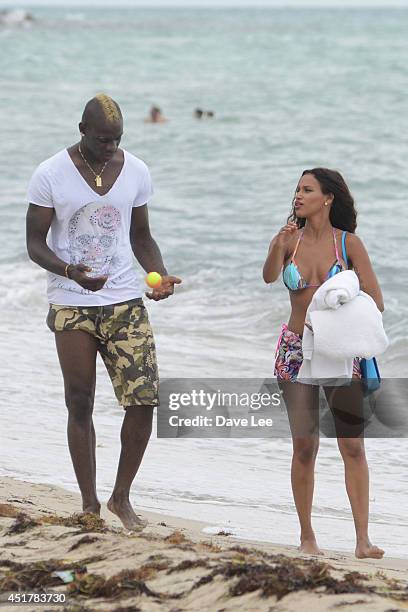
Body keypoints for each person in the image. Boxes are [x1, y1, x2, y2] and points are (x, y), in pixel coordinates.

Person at [26, 93, 181, 530]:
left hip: (124, 301)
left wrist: (160, 274)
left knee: (145, 398)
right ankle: (89, 502)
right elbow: (35, 243)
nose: (111, 148)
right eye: (101, 140)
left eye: (116, 140)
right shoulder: (50, 174)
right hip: (71, 302)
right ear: (82, 131)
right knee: (80, 401)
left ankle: (121, 497)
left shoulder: (135, 170)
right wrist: (69, 271)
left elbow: (142, 236)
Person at [263, 168, 385, 559]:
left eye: (307, 189)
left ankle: (363, 541)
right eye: (297, 189)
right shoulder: (290, 241)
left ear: (327, 198)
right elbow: (268, 278)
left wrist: (340, 297)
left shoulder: (349, 244)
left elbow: (376, 302)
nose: (298, 195)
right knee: (304, 446)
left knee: (352, 445)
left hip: (337, 350)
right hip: (296, 350)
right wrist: (276, 246)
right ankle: (307, 537)